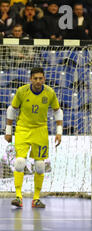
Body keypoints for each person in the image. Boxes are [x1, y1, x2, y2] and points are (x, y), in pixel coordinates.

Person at [4, 67, 63, 209]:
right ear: (30, 79)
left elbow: (57, 111)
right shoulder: (22, 91)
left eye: (40, 78)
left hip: (40, 131)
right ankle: (18, 196)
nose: (38, 81)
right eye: (35, 78)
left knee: (40, 166)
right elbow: (12, 109)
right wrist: (8, 130)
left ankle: (36, 198)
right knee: (19, 162)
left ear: (44, 79)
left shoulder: (49, 92)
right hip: (23, 129)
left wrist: (59, 132)